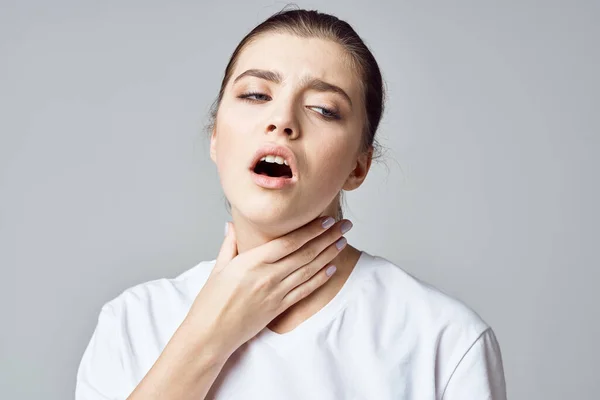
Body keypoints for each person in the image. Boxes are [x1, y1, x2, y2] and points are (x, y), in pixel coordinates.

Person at [76, 8, 507, 400]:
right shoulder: (133, 322)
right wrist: (208, 338)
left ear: (359, 166)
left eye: (323, 108)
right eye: (256, 95)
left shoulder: (444, 340)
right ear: (214, 136)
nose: (281, 120)